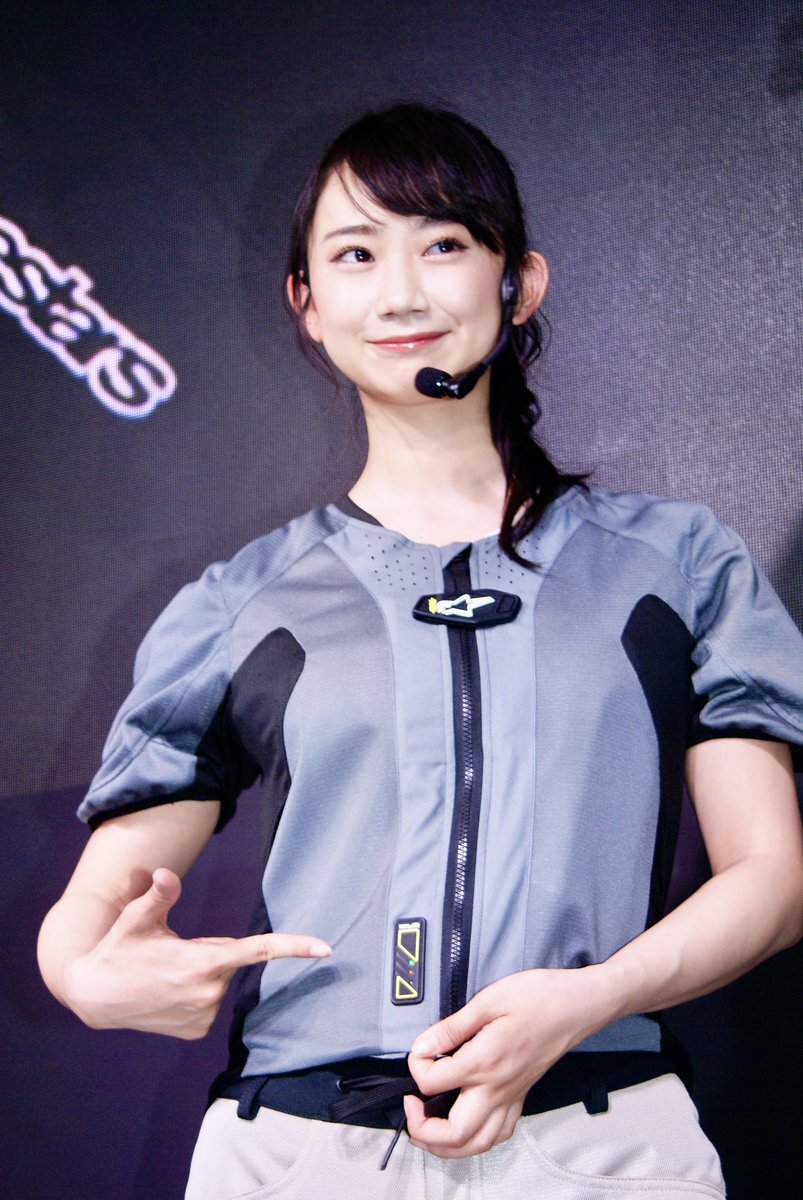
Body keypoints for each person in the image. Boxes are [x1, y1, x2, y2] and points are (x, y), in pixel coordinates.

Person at [38, 104, 803, 1199]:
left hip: (598, 1138)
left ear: (518, 282)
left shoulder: (676, 561)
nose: (399, 293)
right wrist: (88, 973)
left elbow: (771, 882)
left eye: (441, 243)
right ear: (306, 304)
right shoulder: (240, 602)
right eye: (355, 254)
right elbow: (87, 920)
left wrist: (587, 1000)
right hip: (298, 1148)